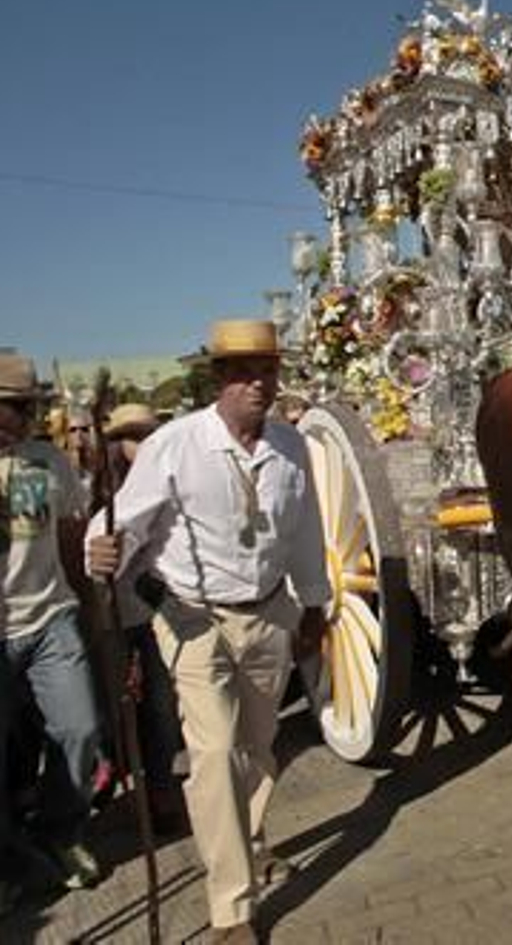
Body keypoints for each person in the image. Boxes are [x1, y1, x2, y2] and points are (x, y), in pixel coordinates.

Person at [87, 321, 330, 944]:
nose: (258, 382)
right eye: (243, 372)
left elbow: (305, 530)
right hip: (193, 618)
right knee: (216, 752)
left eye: (268, 370)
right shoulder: (175, 444)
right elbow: (122, 524)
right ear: (216, 380)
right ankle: (233, 909)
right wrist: (102, 550)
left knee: (257, 744)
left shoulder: (291, 446)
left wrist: (315, 604)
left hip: (270, 613)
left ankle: (249, 842)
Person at [0, 353, 105, 904]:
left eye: (23, 408)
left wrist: (89, 609)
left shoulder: (46, 462)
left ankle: (60, 833)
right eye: (8, 407)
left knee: (80, 728)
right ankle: (9, 862)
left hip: (48, 618)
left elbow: (69, 536)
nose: (15, 418)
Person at [101, 402, 188, 835]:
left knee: (161, 708)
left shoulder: (168, 480)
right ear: (116, 445)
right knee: (116, 708)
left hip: (155, 611)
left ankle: (160, 789)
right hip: (109, 614)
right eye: (132, 437)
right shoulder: (99, 488)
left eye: (148, 435)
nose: (142, 445)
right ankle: (118, 777)